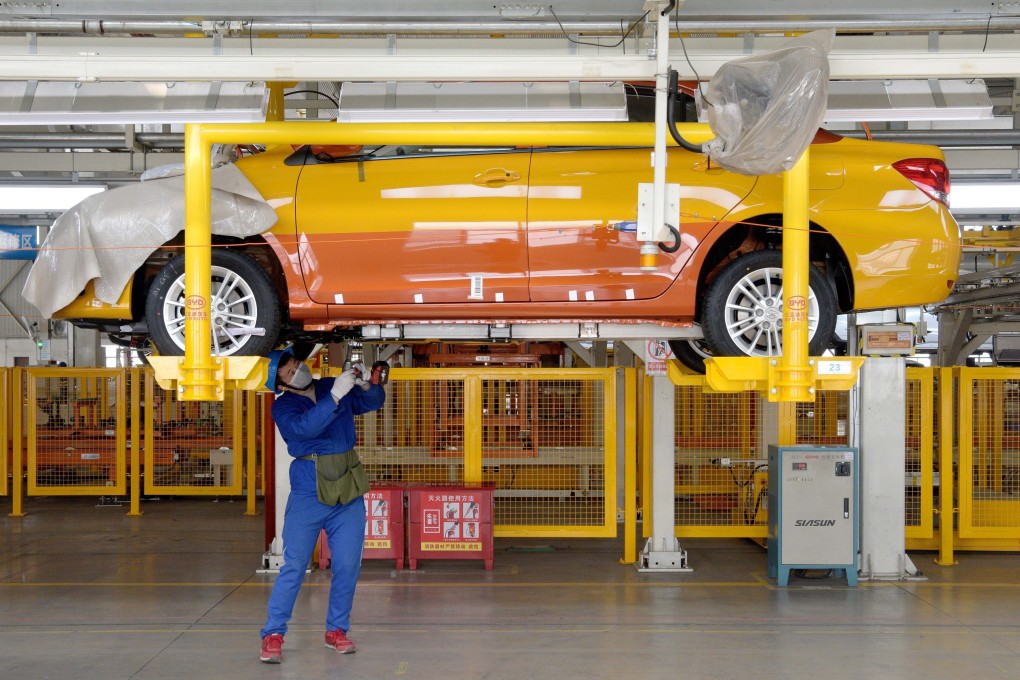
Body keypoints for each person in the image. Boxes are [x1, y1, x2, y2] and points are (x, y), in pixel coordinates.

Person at [259, 349, 386, 664]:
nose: (297, 371)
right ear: (282, 385)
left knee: (347, 566)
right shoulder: (284, 406)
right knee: (294, 566)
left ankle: (337, 631)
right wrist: (337, 397)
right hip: (308, 490)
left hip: (347, 489)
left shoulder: (332, 384)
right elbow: (303, 430)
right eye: (289, 372)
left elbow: (372, 403)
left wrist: (367, 384)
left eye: (296, 365)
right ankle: (273, 634)